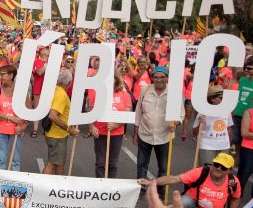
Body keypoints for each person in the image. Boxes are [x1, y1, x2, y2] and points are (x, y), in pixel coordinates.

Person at [133, 65, 184, 196]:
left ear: (167, 78)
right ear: (152, 78)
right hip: (145, 134)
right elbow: (138, 111)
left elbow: (181, 114)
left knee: (163, 167)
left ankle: (161, 192)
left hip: (164, 136)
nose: (159, 80)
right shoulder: (145, 90)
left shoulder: (174, 93)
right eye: (156, 77)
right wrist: (135, 132)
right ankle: (140, 190)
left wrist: (176, 123)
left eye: (162, 77)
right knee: (141, 165)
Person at [90, 72, 132, 178]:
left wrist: (116, 125)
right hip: (100, 132)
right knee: (100, 163)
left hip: (117, 134)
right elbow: (90, 112)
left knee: (112, 163)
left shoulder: (124, 94)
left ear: (116, 79)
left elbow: (127, 114)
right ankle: (100, 184)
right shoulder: (98, 94)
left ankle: (110, 184)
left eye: (111, 78)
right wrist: (92, 126)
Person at [0, 64, 30, 172]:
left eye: (3, 74)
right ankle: (0, 181)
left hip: (17, 130)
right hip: (1, 130)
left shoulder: (22, 91)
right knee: (1, 159)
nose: (0, 77)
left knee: (15, 160)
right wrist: (11, 119)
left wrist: (22, 127)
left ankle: (14, 181)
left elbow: (28, 113)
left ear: (11, 75)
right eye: (0, 74)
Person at [43, 69, 79, 175]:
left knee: (59, 163)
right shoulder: (61, 95)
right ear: (69, 83)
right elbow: (53, 115)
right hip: (57, 135)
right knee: (52, 163)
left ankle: (59, 183)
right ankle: (41, 184)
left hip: (55, 134)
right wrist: (69, 129)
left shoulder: (55, 90)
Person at [192, 85, 234, 167]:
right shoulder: (203, 111)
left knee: (221, 170)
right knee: (207, 170)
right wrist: (200, 123)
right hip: (207, 146)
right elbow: (194, 133)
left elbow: (229, 129)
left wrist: (229, 146)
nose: (212, 100)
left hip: (223, 146)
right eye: (211, 97)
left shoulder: (227, 110)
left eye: (215, 97)